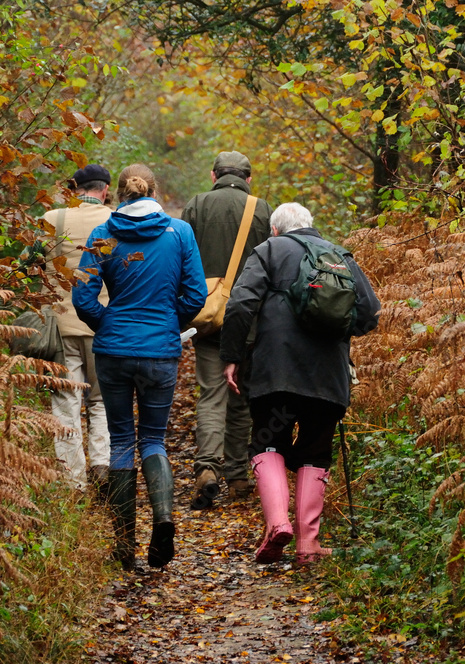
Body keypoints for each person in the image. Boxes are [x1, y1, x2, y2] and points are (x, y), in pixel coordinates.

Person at [220, 202, 381, 564]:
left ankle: (278, 524)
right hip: (327, 376)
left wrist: (232, 356)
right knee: (314, 451)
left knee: (268, 442)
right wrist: (335, 333)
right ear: (311, 226)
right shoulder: (340, 256)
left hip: (276, 373)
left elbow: (241, 304)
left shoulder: (270, 250)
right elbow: (370, 312)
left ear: (275, 230)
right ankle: (308, 545)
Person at [72, 164, 207, 570]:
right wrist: (168, 325)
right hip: (159, 352)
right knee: (152, 439)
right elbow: (196, 294)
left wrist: (109, 325)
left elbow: (83, 297)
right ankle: (163, 518)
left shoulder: (104, 234)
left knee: (119, 441)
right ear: (154, 189)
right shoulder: (179, 232)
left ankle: (124, 544)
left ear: (119, 192)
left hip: (113, 351)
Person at [182, 151, 272, 510]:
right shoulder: (262, 209)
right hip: (250, 319)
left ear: (213, 175)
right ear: (248, 179)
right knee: (242, 399)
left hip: (207, 318)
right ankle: (237, 476)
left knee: (211, 395)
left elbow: (181, 258)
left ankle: (207, 469)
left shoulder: (196, 206)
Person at [42, 164, 113, 491]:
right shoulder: (116, 220)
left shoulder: (53, 219)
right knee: (102, 400)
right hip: (103, 323)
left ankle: (73, 483)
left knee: (66, 404)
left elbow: (33, 263)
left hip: (61, 326)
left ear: (75, 189)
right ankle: (102, 465)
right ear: (105, 189)